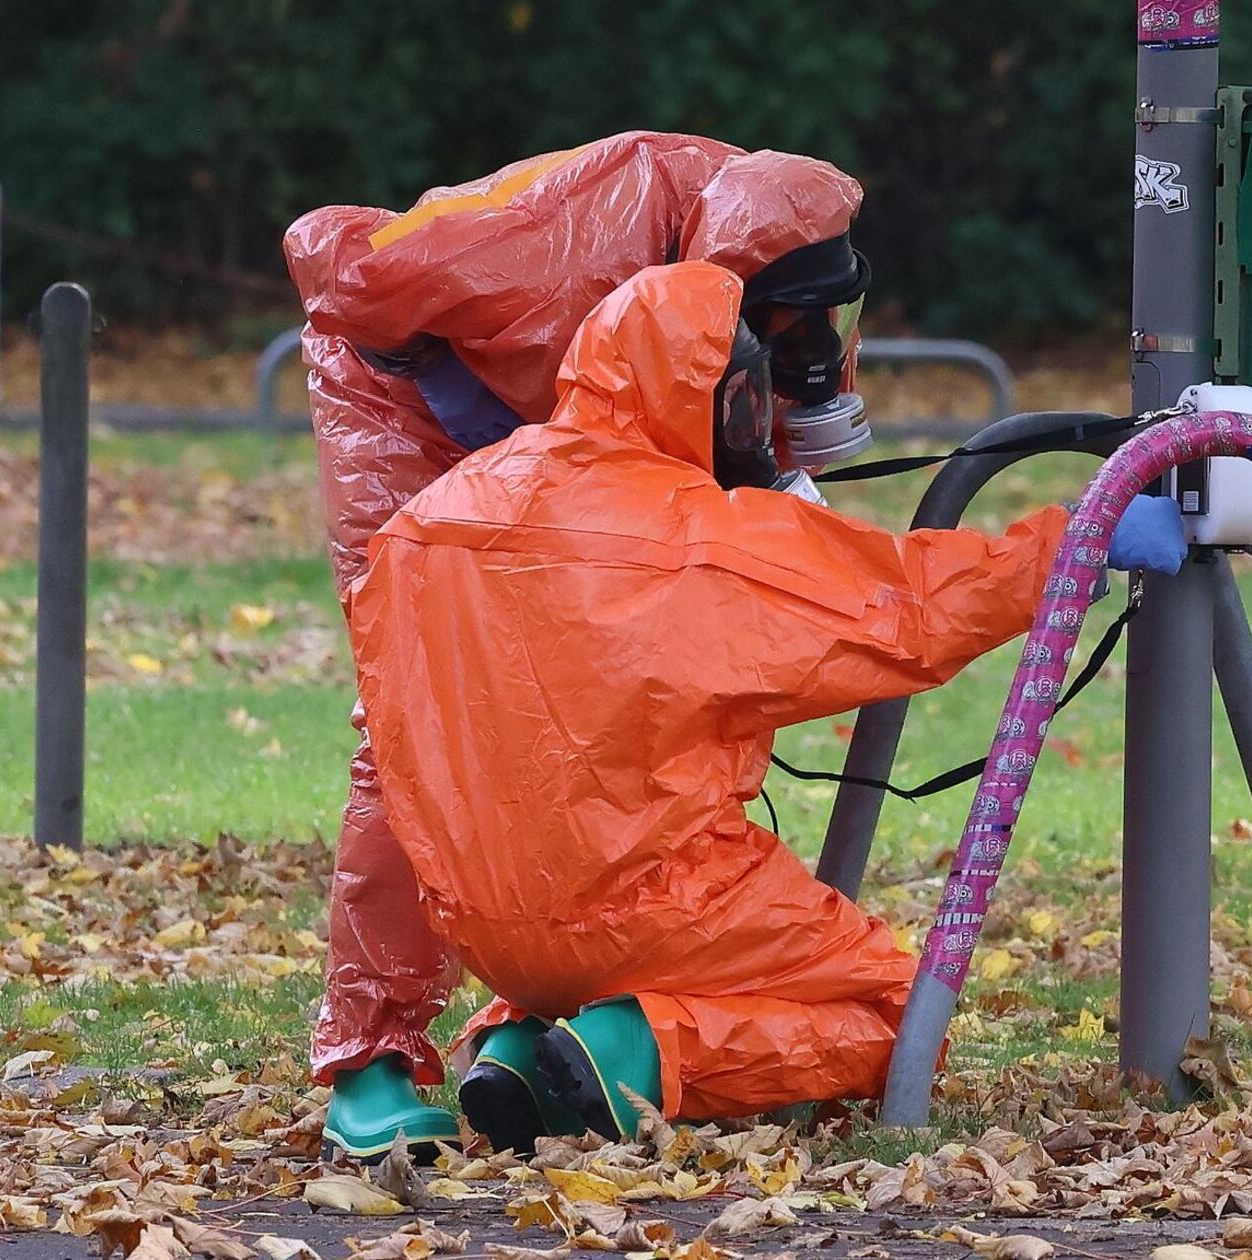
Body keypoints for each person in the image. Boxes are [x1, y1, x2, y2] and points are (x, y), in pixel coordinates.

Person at [348, 260, 1188, 1148]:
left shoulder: (426, 521)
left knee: (632, 960)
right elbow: (903, 610)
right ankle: (633, 1052)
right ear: (712, 395)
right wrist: (1076, 543)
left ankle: (523, 1057)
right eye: (750, 401)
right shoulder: (697, 536)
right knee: (900, 1014)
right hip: (651, 903)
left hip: (479, 923)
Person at [282, 133, 882, 1158]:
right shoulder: (567, 241)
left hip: (557, 433)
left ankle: (558, 1028)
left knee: (619, 692)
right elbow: (341, 267)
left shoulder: (774, 246)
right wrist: (494, 428)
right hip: (414, 420)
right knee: (421, 723)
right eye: (790, 326)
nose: (816, 346)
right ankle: (370, 1063)